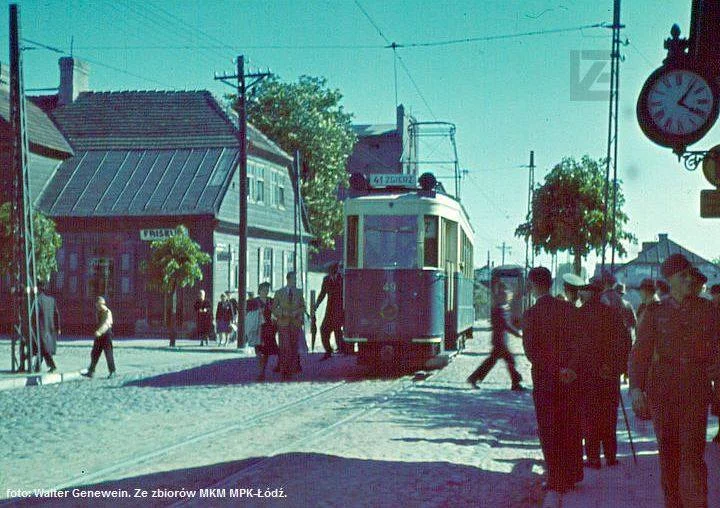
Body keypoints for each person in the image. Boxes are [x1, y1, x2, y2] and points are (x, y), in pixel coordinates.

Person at [630, 253, 720, 507]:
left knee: (692, 456)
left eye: (690, 274)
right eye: (683, 276)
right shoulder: (655, 312)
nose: (689, 279)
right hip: (663, 391)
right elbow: (641, 352)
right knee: (668, 456)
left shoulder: (707, 310)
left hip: (695, 389)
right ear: (670, 280)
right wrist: (636, 388)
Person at [522, 267, 583, 493]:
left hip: (546, 379)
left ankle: (557, 478)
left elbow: (531, 352)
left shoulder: (531, 314)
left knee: (549, 428)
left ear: (532, 285)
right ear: (550, 283)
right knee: (570, 425)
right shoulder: (568, 309)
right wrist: (570, 368)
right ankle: (573, 474)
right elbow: (579, 343)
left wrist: (555, 369)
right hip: (570, 378)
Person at [577, 277, 626, 469]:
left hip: (588, 375)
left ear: (591, 292)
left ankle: (594, 458)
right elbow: (624, 343)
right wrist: (617, 368)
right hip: (609, 374)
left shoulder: (580, 314)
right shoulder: (613, 314)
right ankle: (611, 456)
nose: (582, 294)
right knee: (609, 415)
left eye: (584, 290)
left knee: (590, 416)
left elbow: (576, 346)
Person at [467, 288, 523, 391]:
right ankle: (516, 383)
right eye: (507, 297)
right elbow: (505, 324)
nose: (508, 298)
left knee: (491, 362)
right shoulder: (499, 309)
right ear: (502, 297)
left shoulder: (501, 308)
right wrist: (517, 333)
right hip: (500, 341)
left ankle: (474, 378)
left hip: (499, 340)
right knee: (510, 361)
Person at [272, 272, 305, 380]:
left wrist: (297, 312)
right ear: (288, 279)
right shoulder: (279, 293)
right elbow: (273, 308)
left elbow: (303, 307)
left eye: (295, 279)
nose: (295, 281)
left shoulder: (299, 292)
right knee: (284, 347)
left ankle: (291, 370)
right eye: (293, 279)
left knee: (293, 347)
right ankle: (283, 371)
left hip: (295, 323)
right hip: (283, 323)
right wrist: (282, 313)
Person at [245, 282, 279, 380]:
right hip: (257, 329)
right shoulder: (253, 302)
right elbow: (247, 314)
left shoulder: (271, 301)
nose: (266, 292)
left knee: (267, 352)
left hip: (269, 329)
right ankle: (261, 370)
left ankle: (262, 372)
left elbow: (276, 312)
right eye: (264, 290)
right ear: (259, 290)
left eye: (267, 290)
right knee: (259, 351)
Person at [314, 262, 346, 359]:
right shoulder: (326, 280)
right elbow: (323, 293)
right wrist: (316, 305)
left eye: (333, 270)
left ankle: (341, 349)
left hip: (341, 310)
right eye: (330, 271)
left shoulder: (343, 279)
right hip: (330, 310)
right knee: (323, 329)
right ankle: (328, 351)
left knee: (337, 330)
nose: (331, 273)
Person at [81, 296, 116, 379]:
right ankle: (91, 371)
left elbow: (107, 324)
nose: (97, 306)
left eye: (98, 305)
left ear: (101, 304)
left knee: (108, 354)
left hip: (106, 335)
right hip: (99, 336)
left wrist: (99, 331)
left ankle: (112, 371)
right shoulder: (99, 312)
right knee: (94, 353)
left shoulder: (107, 312)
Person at [36, 281, 61, 373]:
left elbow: (35, 315)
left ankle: (52, 365)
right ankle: (37, 366)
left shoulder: (37, 300)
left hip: (41, 328)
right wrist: (58, 327)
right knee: (44, 348)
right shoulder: (51, 300)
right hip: (51, 328)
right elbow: (56, 314)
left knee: (44, 348)